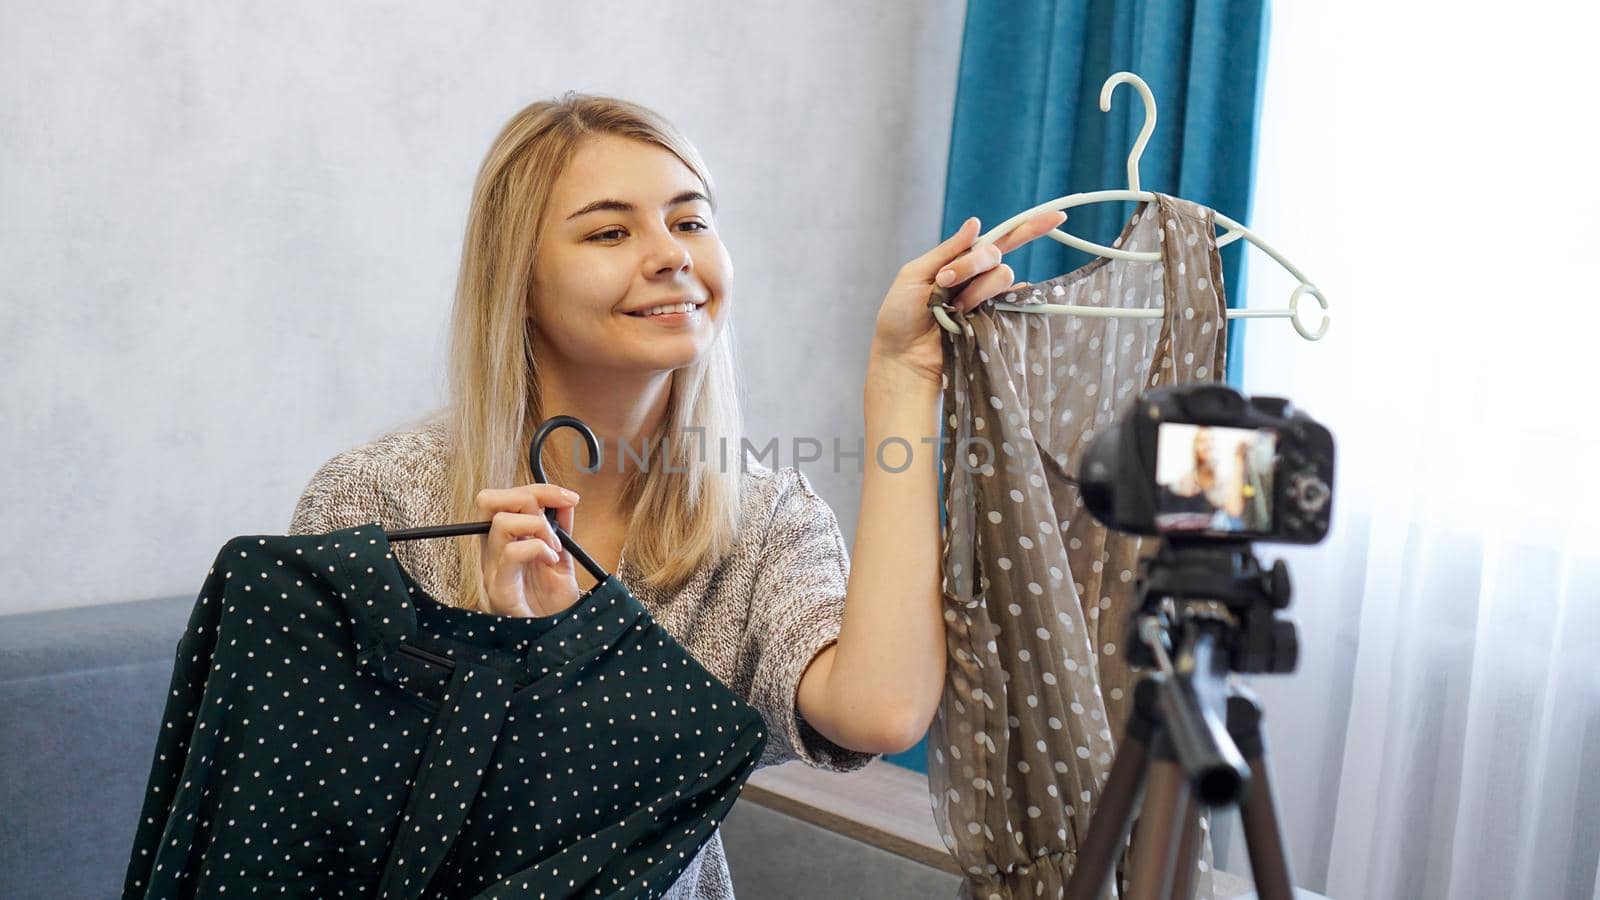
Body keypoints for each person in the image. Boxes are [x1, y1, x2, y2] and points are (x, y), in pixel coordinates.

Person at [287, 92, 1063, 898]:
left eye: (690, 222)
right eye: (610, 231)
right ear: (516, 278)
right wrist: (505, 660)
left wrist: (903, 384)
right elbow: (316, 820)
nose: (670, 256)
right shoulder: (375, 504)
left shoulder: (763, 521)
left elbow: (880, 712)